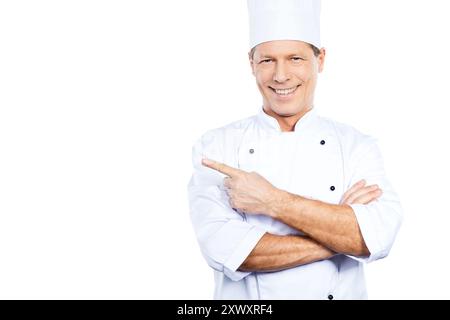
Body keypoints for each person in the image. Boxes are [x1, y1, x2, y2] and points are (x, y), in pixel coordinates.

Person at [187, 0, 402, 300]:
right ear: (251, 64)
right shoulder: (217, 147)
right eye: (267, 61)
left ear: (321, 60)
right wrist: (343, 234)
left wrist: (271, 200)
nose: (281, 76)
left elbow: (378, 237)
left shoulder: (357, 147)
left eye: (295, 58)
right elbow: (227, 251)